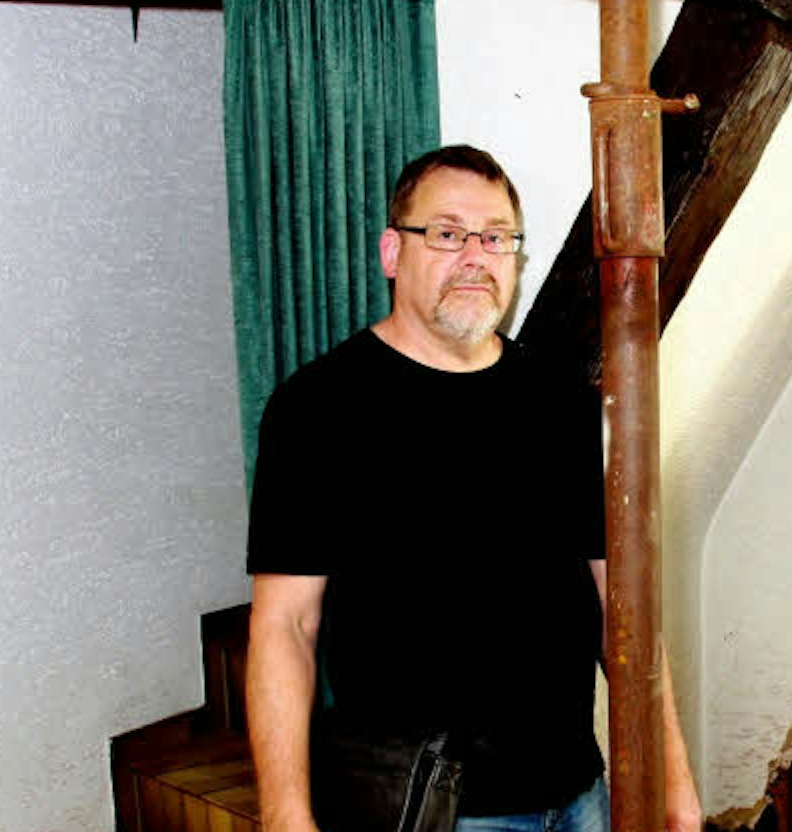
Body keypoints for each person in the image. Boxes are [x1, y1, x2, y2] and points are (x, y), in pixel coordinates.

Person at [245, 145, 702, 832]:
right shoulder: (318, 409)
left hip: (579, 799)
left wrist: (673, 779)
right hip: (432, 813)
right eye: (448, 233)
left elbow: (623, 607)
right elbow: (286, 626)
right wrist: (285, 815)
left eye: (496, 238)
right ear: (392, 252)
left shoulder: (564, 405)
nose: (475, 257)